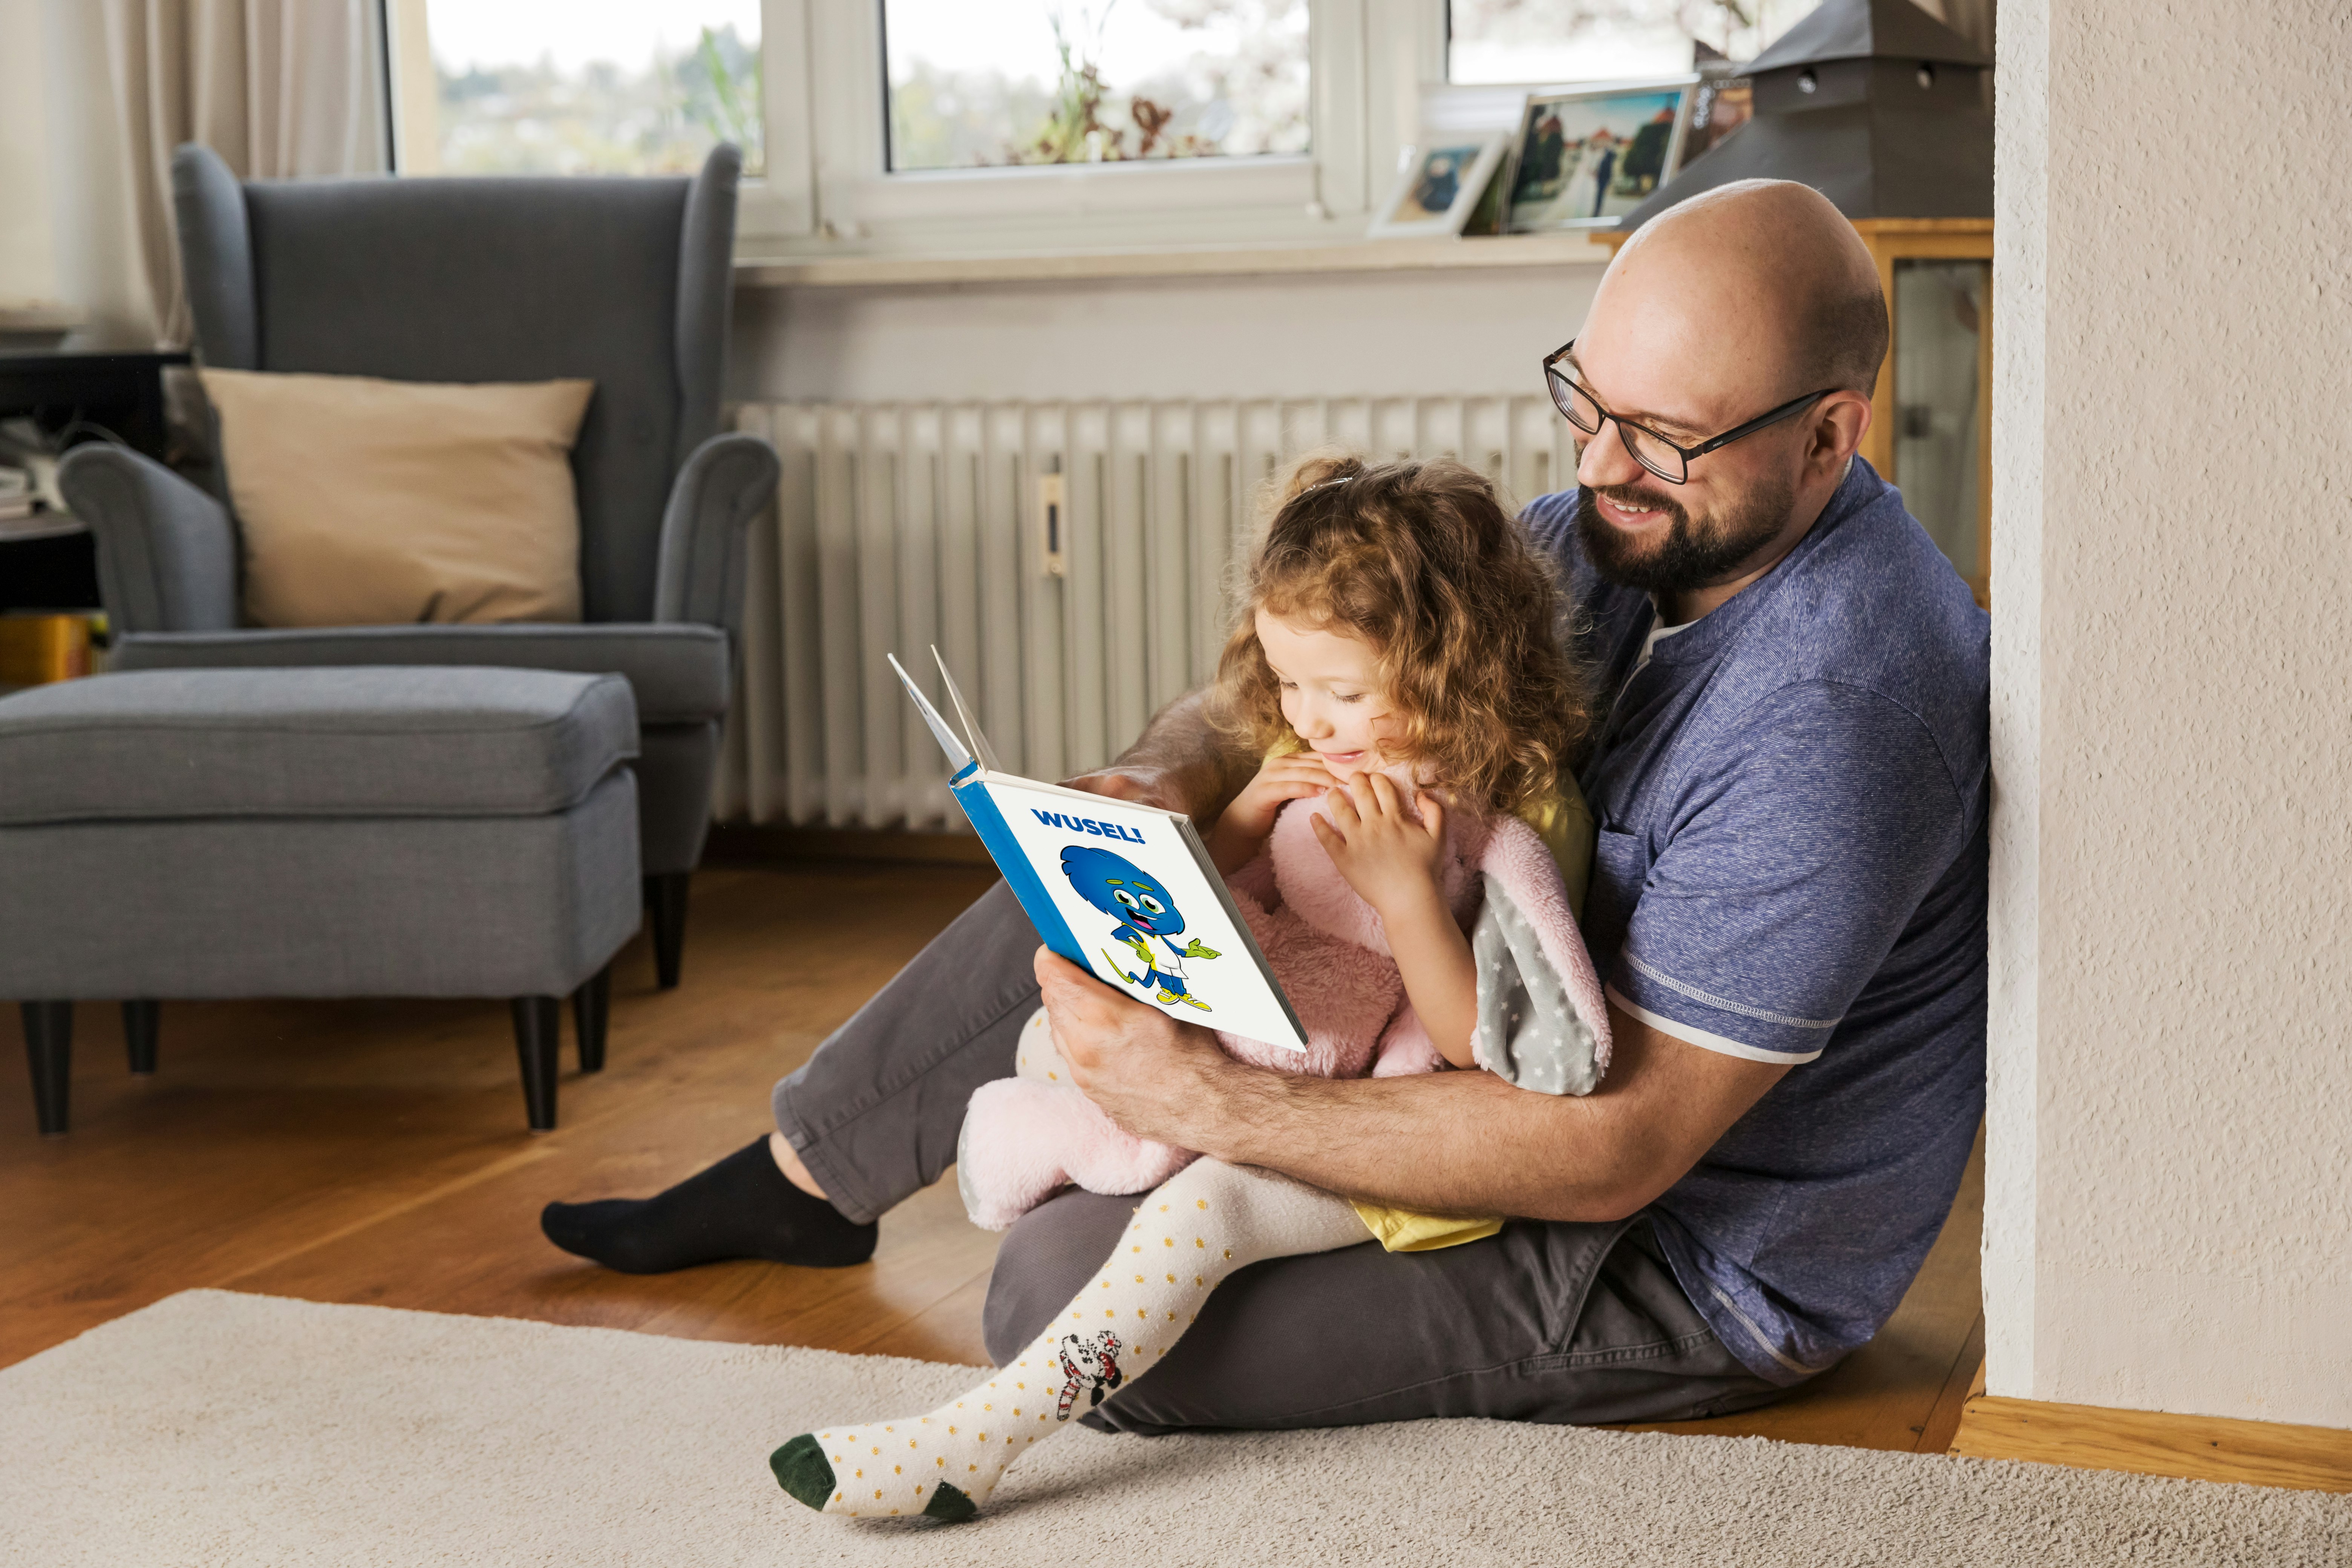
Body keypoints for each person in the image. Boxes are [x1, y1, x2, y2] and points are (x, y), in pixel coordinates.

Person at [541, 178, 1990, 1441]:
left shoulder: (1846, 706)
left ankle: (1128, 1163)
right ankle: (813, 1168)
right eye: (1584, 403)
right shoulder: (1606, 532)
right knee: (1106, 858)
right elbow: (1285, 690)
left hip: (1678, 1251)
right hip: (1416, 1066)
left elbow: (1615, 1147)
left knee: (1058, 1301)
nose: (1597, 467)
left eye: (1660, 437)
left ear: (1829, 437)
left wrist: (1201, 1101)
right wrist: (1166, 783)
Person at [766, 455, 1609, 1520]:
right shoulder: (1312, 758)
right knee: (1057, 1031)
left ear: (1457, 665)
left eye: (1342, 693)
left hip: (1374, 1133)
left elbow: (1491, 1044)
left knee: (1198, 1214)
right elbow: (1237, 895)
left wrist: (1408, 901)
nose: (1308, 717)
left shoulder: (1509, 818)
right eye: (1289, 683)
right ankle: (991, 1151)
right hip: (1262, 1050)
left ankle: (972, 1442)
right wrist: (1245, 818)